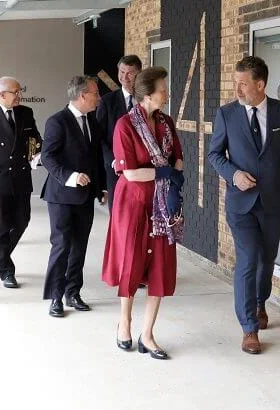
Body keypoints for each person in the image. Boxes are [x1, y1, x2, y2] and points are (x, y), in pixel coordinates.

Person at [208, 56, 280, 354]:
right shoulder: (226, 114)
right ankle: (249, 328)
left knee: (267, 262)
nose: (237, 89)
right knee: (248, 260)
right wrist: (234, 174)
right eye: (235, 83)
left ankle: (261, 302)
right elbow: (215, 155)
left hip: (274, 201)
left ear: (260, 84)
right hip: (240, 204)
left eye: (242, 84)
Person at [102, 67, 184, 360]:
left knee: (160, 267)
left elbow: (178, 161)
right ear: (148, 94)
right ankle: (125, 322)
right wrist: (162, 172)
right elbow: (131, 174)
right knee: (130, 263)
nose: (167, 92)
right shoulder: (125, 125)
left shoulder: (167, 122)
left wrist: (172, 181)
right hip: (133, 203)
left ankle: (147, 334)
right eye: (163, 88)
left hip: (162, 205)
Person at [41, 75, 106, 317]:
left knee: (80, 246)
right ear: (82, 96)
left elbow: (96, 158)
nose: (98, 99)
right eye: (95, 94)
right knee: (61, 246)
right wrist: (71, 176)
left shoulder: (93, 121)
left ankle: (73, 292)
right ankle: (55, 297)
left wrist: (101, 188)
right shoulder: (57, 121)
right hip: (61, 196)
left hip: (86, 196)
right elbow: (48, 157)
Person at [0, 76, 42, 288]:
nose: (20, 96)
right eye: (16, 92)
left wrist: (35, 150)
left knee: (23, 219)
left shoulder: (26, 113)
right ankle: (5, 269)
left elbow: (35, 138)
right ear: (2, 94)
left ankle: (1, 257)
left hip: (21, 176)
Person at [96, 55, 142, 212]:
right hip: (116, 168)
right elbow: (99, 137)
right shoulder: (107, 101)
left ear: (139, 73)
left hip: (142, 167)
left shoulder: (145, 99)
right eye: (121, 72)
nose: (124, 77)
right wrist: (112, 161)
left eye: (130, 73)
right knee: (118, 212)